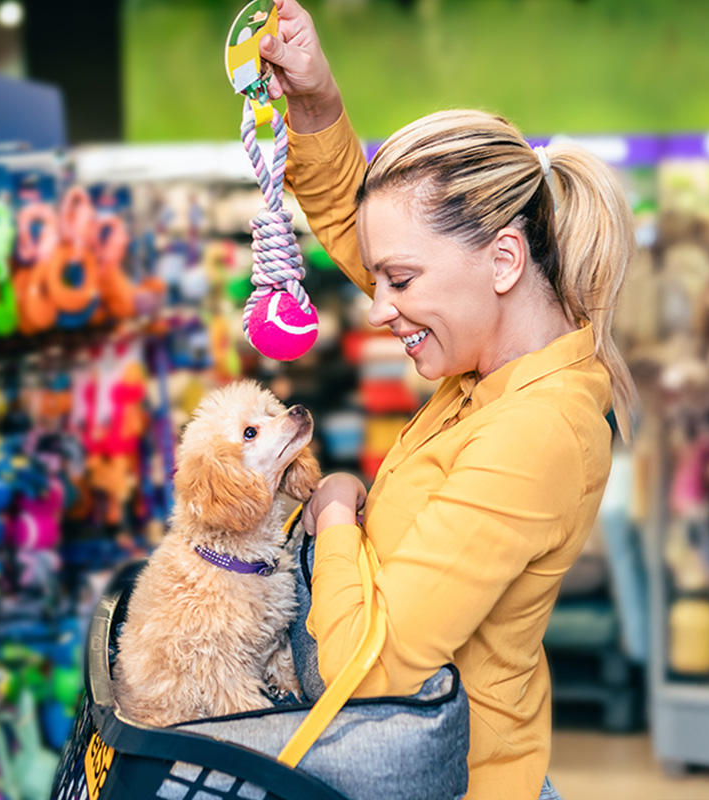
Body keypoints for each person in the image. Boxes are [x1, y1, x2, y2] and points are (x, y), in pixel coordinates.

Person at [259, 1, 637, 797]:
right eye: (382, 277)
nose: (376, 303)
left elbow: (366, 665)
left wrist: (334, 511)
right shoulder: (485, 347)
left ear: (502, 261)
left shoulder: (536, 428)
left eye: (399, 282)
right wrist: (320, 106)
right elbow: (376, 237)